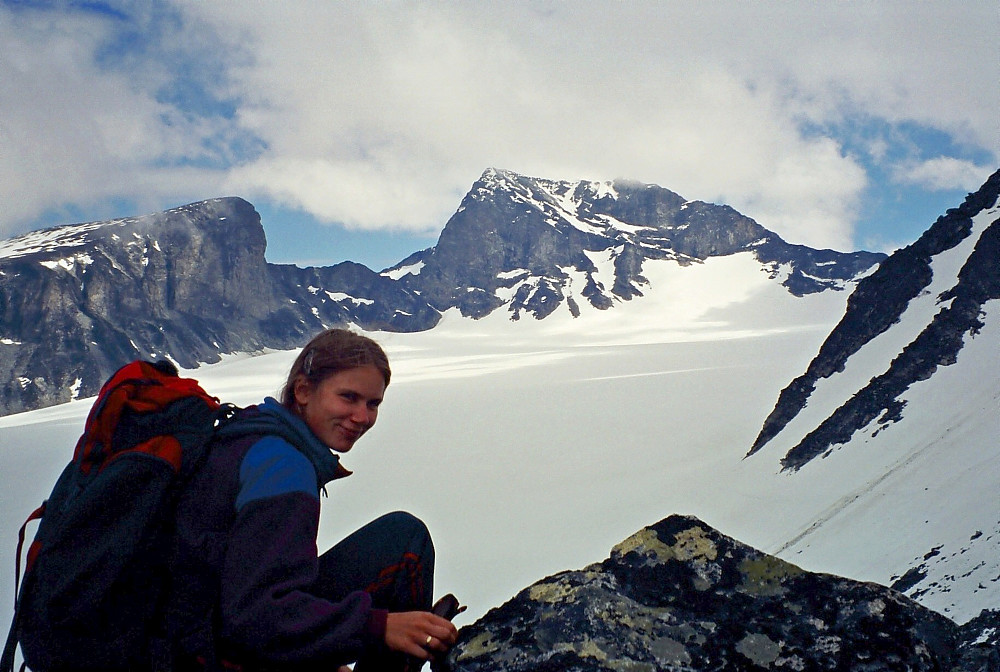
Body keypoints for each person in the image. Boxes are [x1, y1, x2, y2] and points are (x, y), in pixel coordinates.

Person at [163, 328, 459, 671]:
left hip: (186, 637)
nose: (362, 417)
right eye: (348, 397)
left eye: (373, 403)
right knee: (407, 542)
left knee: (402, 533)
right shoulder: (284, 466)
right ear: (303, 391)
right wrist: (379, 627)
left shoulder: (255, 431)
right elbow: (254, 616)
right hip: (208, 654)